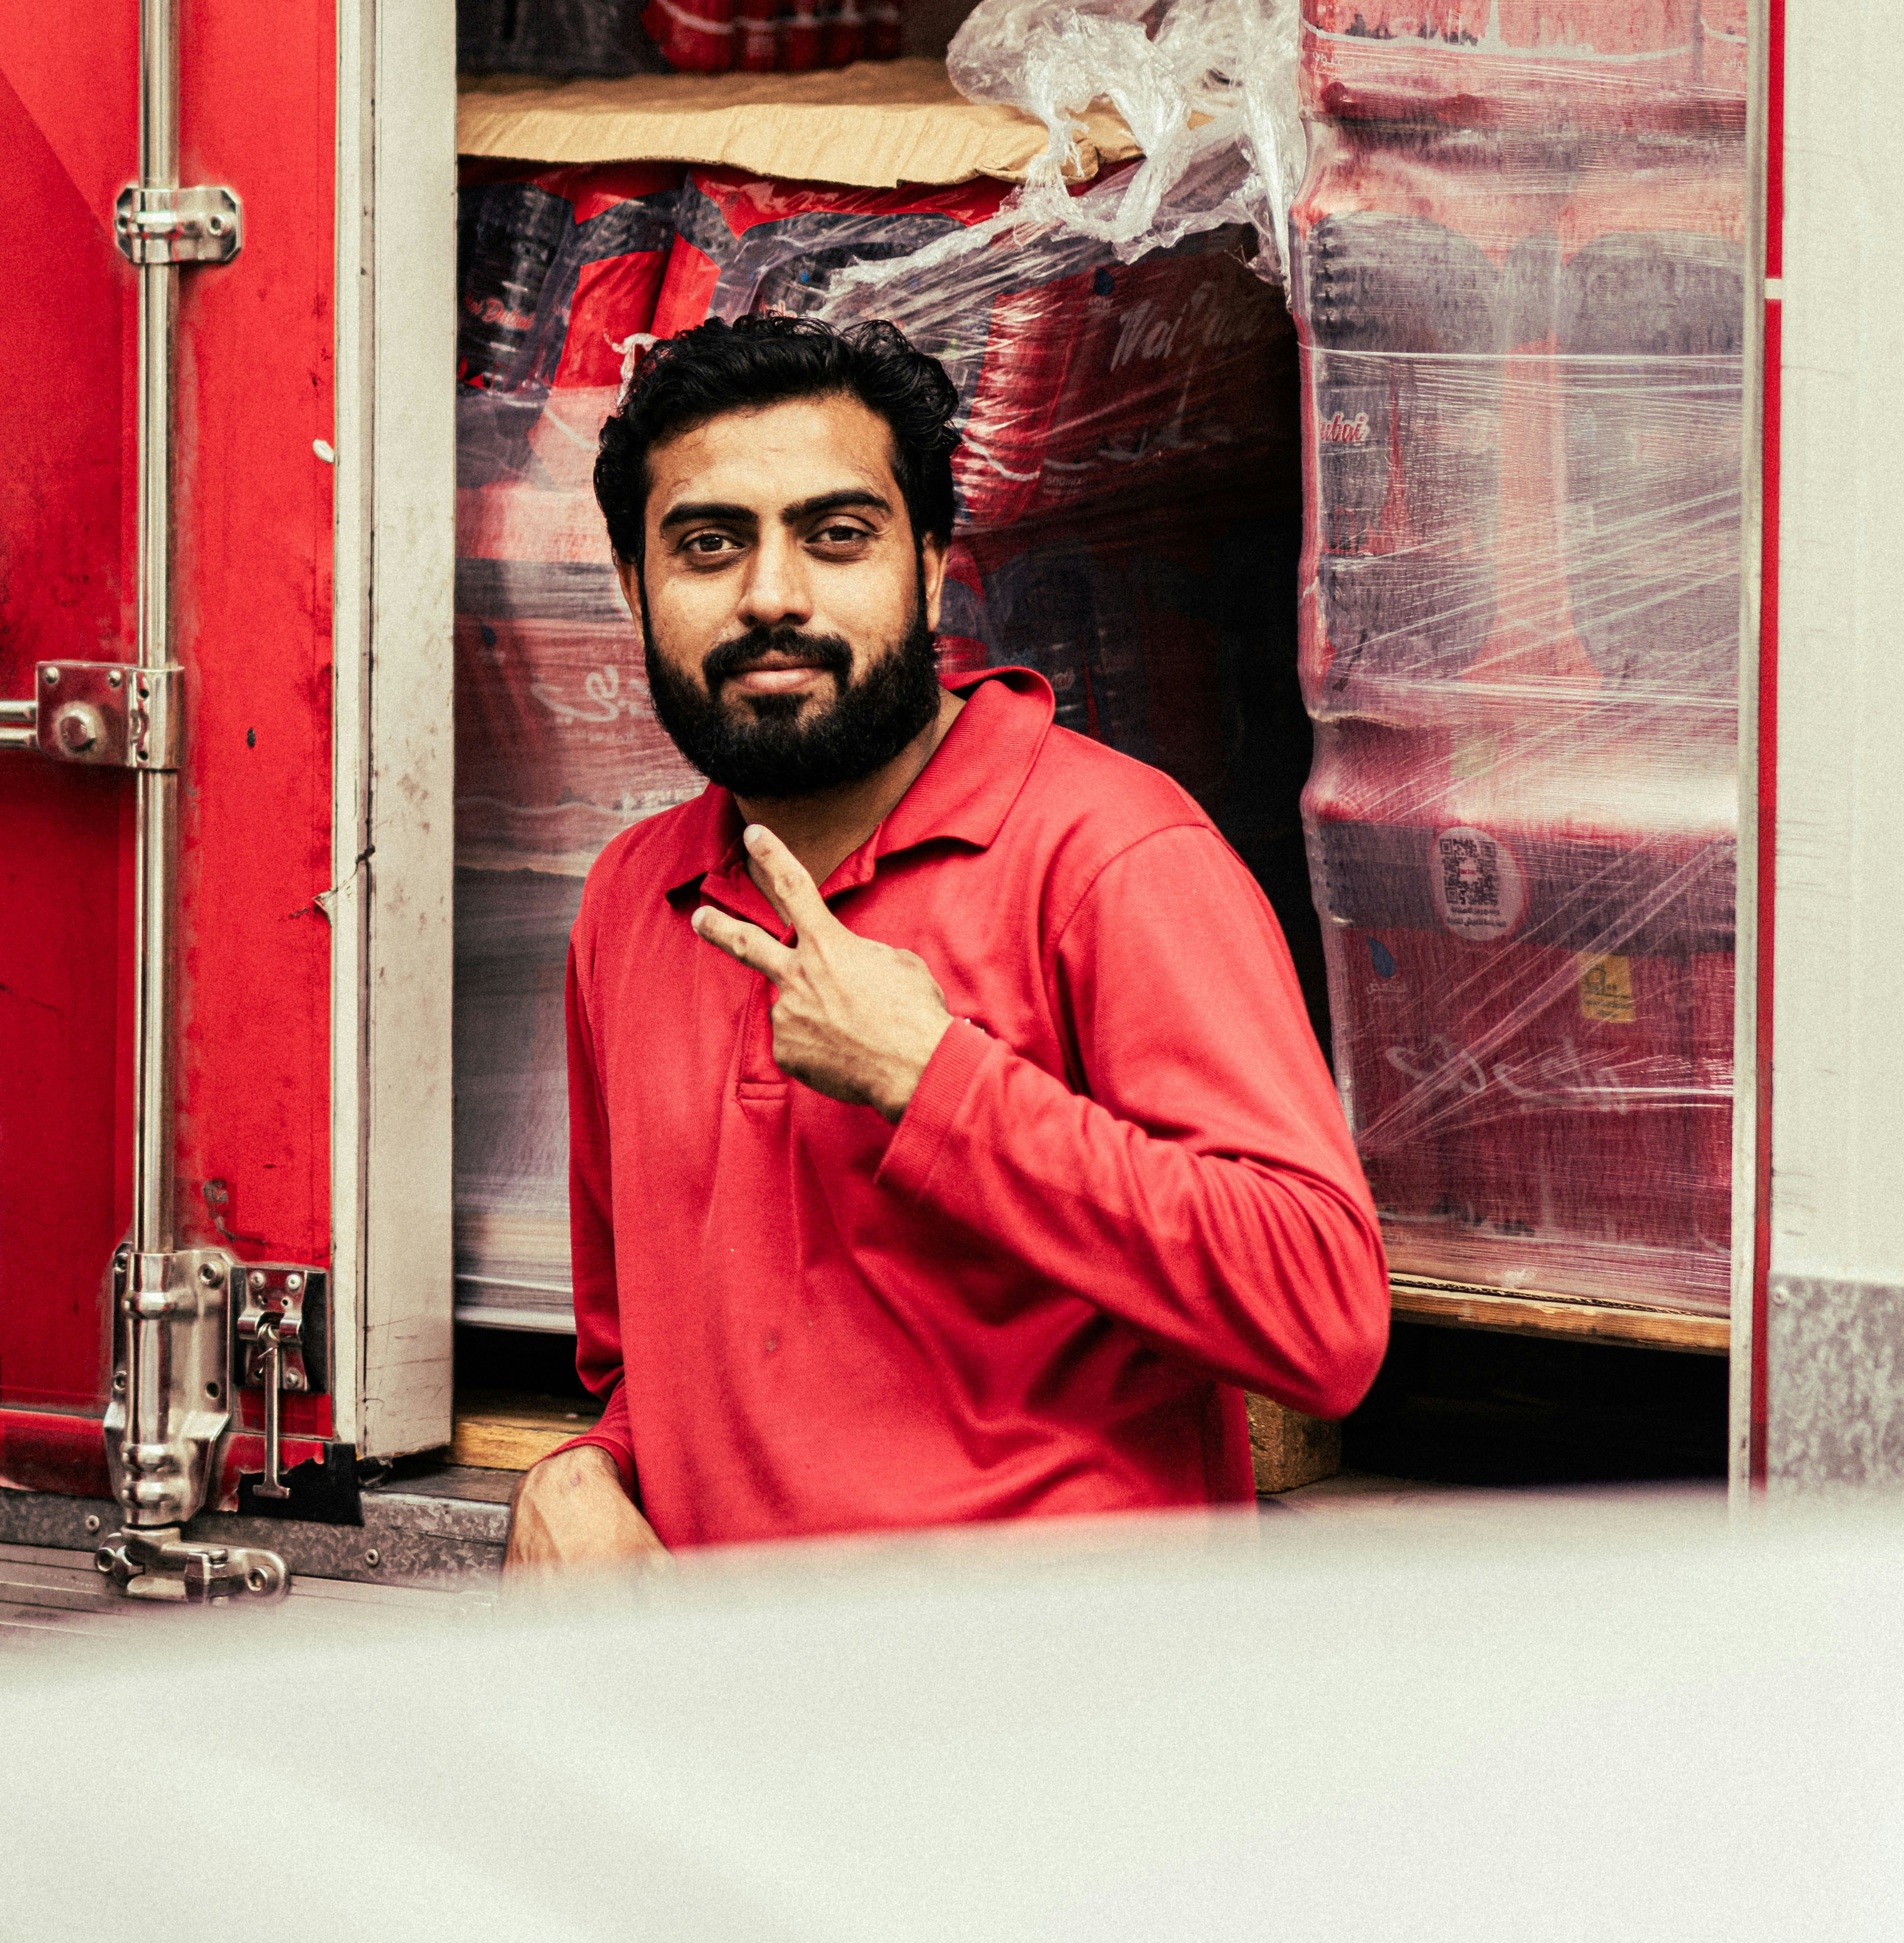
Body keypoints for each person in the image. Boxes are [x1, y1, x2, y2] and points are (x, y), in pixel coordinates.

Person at [508, 314, 1387, 1573]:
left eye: (836, 537)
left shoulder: (1110, 857)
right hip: (730, 1728)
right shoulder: (633, 898)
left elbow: (1323, 1316)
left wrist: (935, 1080)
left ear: (930, 570)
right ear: (632, 588)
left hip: (1042, 1733)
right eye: (710, 545)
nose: (772, 595)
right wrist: (584, 1470)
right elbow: (644, 1360)